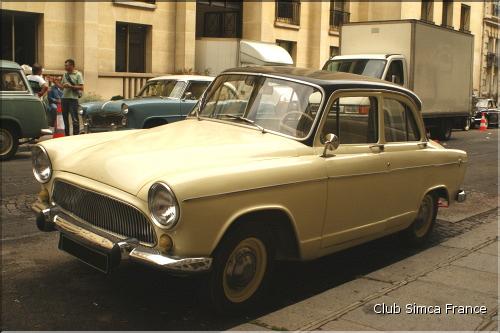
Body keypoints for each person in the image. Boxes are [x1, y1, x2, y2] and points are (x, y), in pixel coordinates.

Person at [53, 59, 84, 135]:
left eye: (67, 65)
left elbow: (81, 87)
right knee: (65, 118)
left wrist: (71, 86)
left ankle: (75, 135)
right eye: (65, 65)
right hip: (64, 98)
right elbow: (62, 87)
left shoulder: (78, 74)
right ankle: (67, 135)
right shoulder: (65, 75)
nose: (65, 67)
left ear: (72, 66)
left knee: (74, 119)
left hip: (73, 99)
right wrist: (56, 83)